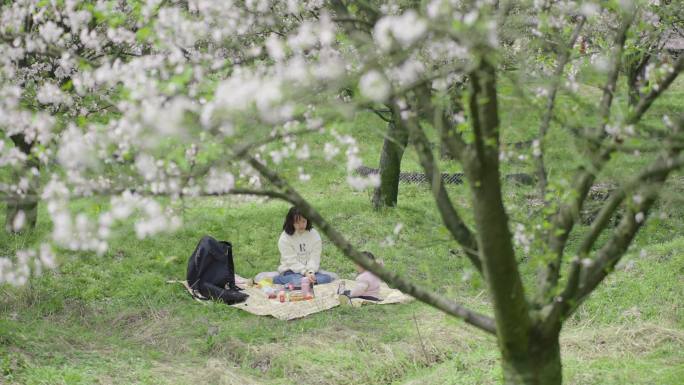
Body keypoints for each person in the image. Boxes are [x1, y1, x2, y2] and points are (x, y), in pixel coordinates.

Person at [273, 206, 333, 286]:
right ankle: (280, 279)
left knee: (327, 278)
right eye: (297, 223)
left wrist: (311, 272)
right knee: (297, 280)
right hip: (291, 271)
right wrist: (304, 272)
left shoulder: (314, 234)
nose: (301, 225)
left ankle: (306, 282)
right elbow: (291, 261)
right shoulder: (284, 238)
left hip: (309, 271)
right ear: (291, 222)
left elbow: (315, 257)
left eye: (304, 221)